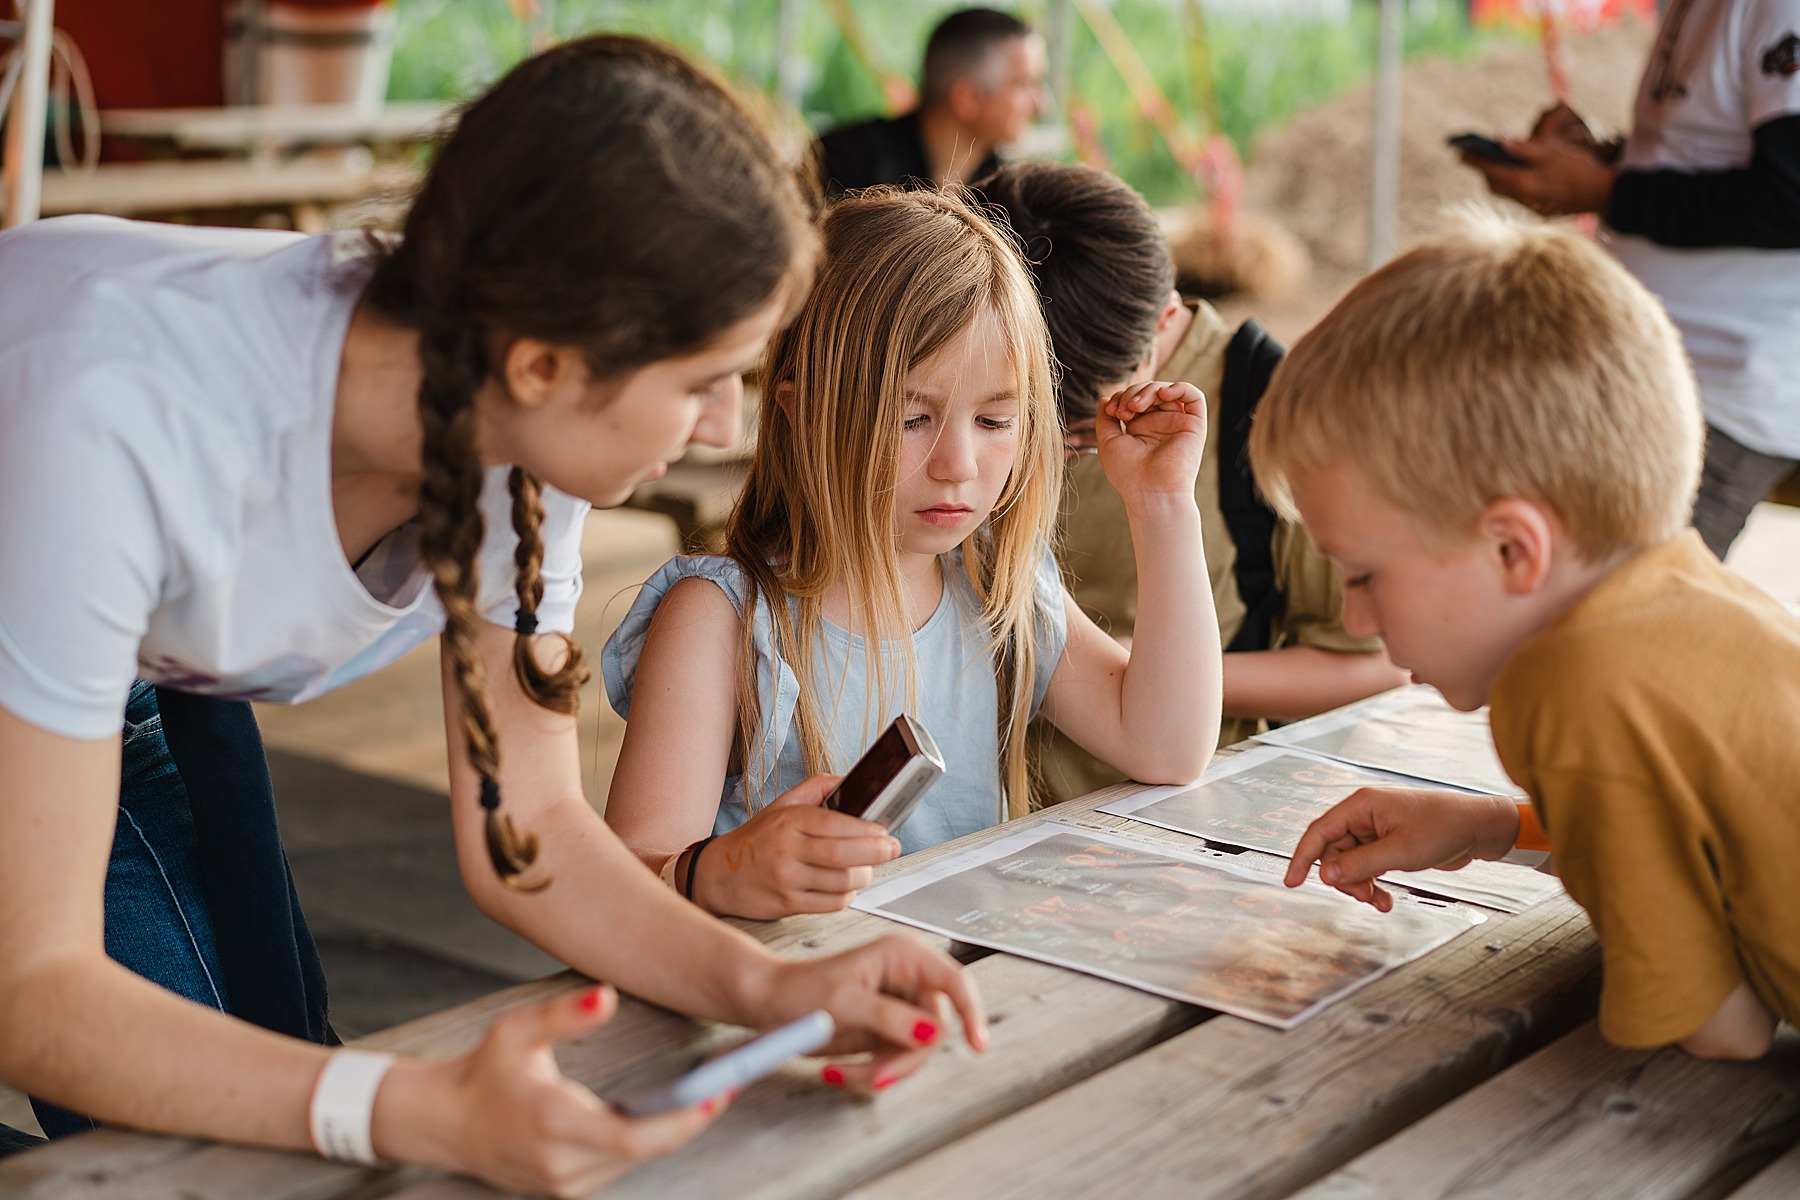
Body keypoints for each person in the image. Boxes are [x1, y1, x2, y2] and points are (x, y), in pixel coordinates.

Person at [0, 38, 986, 1194]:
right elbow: (39, 989)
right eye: (701, 378)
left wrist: (772, 987)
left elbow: (532, 837)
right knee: (207, 1141)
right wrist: (425, 1108)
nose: (726, 426)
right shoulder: (106, 427)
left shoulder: (515, 423)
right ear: (540, 363)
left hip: (146, 653)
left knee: (279, 1078)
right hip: (46, 577)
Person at [1248, 214, 1798, 1061]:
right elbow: (1706, 830)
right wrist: (1492, 827)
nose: (1357, 620)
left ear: (1513, 549)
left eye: (1362, 576)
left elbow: (1721, 1030)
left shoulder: (1571, 681)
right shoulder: (1698, 599)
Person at [602, 187, 1221, 920]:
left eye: (996, 418)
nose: (957, 463)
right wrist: (719, 873)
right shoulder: (722, 619)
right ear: (799, 406)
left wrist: (1161, 505)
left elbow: (1168, 746)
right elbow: (622, 882)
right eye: (910, 418)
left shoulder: (992, 582)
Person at [974, 161, 1405, 802]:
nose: (1045, 450)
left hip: (1161, 816)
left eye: (1079, 431)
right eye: (999, 416)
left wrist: (1138, 669)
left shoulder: (1281, 412)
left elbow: (1375, 663)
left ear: (1164, 320)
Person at [1456, 0, 1800, 557]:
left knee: (1620, 617)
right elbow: (1704, 157)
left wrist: (1604, 191)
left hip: (1727, 385)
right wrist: (1601, 161)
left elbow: (1790, 199)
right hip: (1645, 368)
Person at [815, 8, 1046, 196]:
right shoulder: (841, 163)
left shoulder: (1010, 190)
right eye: (1023, 85)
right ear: (967, 98)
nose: (1041, 104)